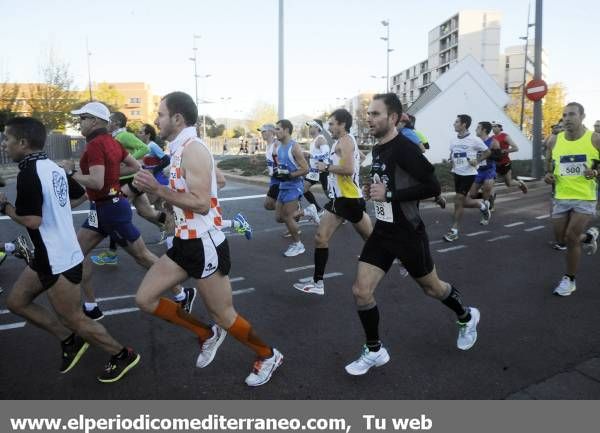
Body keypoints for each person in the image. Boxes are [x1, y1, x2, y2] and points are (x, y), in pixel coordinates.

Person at [133, 91, 283, 386]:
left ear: (177, 118)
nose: (156, 119)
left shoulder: (192, 149)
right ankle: (207, 334)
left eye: (160, 114)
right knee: (144, 298)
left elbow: (201, 203)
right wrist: (172, 202)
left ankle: (268, 354)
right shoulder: (178, 147)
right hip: (183, 242)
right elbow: (217, 183)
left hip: (204, 245)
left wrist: (160, 190)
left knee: (224, 314)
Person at [345, 93, 480, 376]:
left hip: (408, 233)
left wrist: (390, 194)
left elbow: (432, 186)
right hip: (383, 231)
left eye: (375, 114)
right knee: (361, 291)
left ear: (393, 118)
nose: (369, 118)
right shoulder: (379, 149)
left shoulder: (405, 148)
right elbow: (388, 184)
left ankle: (466, 317)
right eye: (368, 114)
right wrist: (375, 190)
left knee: (433, 288)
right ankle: (374, 349)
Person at [0, 117, 140, 382]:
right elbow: (79, 196)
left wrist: (4, 206)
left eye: (6, 139)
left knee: (75, 318)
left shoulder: (29, 173)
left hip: (59, 260)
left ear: (22, 142)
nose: (5, 145)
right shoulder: (52, 167)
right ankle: (69, 341)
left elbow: (32, 220)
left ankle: (123, 354)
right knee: (16, 302)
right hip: (48, 255)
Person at [65, 102, 194, 321]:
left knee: (143, 257)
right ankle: (90, 306)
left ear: (95, 121)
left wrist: (71, 172)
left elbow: (96, 182)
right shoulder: (111, 142)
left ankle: (182, 293)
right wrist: (111, 174)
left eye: (83, 119)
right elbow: (134, 166)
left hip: (112, 209)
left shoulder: (97, 145)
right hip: (100, 209)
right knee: (76, 254)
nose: (80, 123)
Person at [293, 109, 372, 295]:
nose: (329, 128)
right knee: (325, 237)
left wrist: (327, 167)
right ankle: (318, 283)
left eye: (331, 124)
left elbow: (348, 168)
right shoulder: (342, 141)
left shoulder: (345, 140)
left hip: (348, 199)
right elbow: (357, 159)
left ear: (342, 124)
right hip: (344, 199)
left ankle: (318, 283)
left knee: (325, 238)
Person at [544, 102, 600, 296]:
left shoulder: (595, 139)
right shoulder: (554, 140)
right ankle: (589, 237)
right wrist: (548, 174)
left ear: (583, 116)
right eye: (565, 115)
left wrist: (595, 172)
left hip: (585, 197)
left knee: (570, 236)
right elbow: (549, 162)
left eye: (572, 115)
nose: (567, 118)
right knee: (561, 239)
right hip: (561, 196)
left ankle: (570, 279)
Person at [273, 119, 319, 257]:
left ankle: (299, 245)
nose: (275, 132)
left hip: (294, 186)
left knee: (287, 217)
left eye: (278, 129)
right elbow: (283, 167)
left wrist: (290, 175)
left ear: (286, 130)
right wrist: (279, 173)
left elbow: (306, 169)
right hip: (284, 185)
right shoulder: (279, 147)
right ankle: (308, 211)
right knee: (279, 218)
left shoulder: (295, 147)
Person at [443, 115, 492, 242]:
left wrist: (477, 160)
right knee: (462, 202)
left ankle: (454, 231)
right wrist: (452, 161)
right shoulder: (453, 140)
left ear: (464, 124)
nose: (454, 124)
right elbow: (453, 154)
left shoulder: (474, 139)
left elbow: (488, 152)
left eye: (457, 122)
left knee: (458, 201)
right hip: (457, 173)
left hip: (468, 174)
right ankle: (482, 206)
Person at [468, 121, 501, 220]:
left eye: (478, 128)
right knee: (473, 195)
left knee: (486, 187)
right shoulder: (475, 141)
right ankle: (490, 196)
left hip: (489, 170)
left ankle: (486, 209)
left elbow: (498, 157)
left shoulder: (493, 142)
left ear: (484, 130)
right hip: (478, 171)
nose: (475, 130)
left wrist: (487, 154)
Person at [491, 121, 528, 194]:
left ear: (500, 128)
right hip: (495, 163)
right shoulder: (491, 138)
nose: (493, 128)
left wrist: (504, 151)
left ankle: (520, 184)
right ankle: (490, 197)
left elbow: (515, 148)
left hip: (505, 163)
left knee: (509, 183)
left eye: (495, 126)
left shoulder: (505, 136)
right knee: (490, 181)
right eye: (492, 127)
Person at [303, 119, 330, 215]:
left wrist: (311, 156)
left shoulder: (320, 139)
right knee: (303, 189)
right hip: (314, 172)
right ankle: (318, 210)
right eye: (309, 126)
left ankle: (342, 212)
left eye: (311, 126)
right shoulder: (314, 140)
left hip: (323, 171)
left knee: (329, 194)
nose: (309, 128)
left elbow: (326, 154)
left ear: (318, 127)